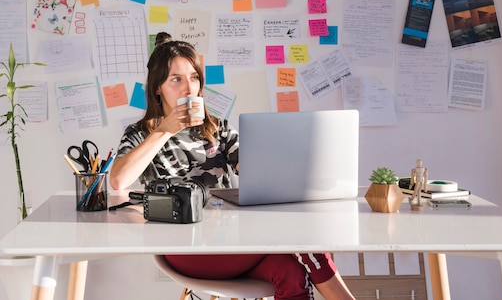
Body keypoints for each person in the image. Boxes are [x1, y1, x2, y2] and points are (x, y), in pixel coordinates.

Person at [110, 33, 355, 300]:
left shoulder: (217, 128)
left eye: (193, 78)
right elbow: (119, 181)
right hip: (184, 248)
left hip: (232, 240)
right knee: (303, 239)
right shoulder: (141, 133)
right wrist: (165, 131)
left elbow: (253, 171)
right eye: (176, 79)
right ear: (158, 87)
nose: (189, 89)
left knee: (291, 272)